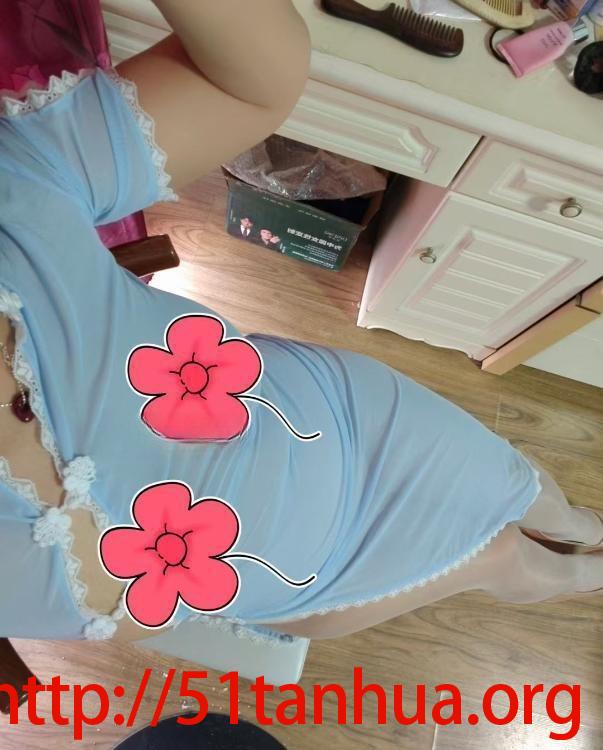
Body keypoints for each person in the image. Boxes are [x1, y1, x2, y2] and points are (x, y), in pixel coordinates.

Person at [0, 0, 602, 649]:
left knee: (517, 483)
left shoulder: (15, 189)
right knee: (503, 558)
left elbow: (247, 84)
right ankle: (556, 569)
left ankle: (570, 524)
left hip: (344, 425)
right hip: (312, 583)